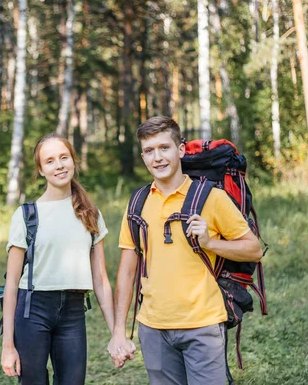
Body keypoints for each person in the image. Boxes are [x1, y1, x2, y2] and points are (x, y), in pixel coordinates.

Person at [107, 116, 262, 385]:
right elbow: (127, 270)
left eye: (164, 148)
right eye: (149, 150)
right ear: (143, 156)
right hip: (153, 328)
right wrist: (119, 331)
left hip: (203, 324)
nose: (157, 157)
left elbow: (254, 249)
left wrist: (210, 243)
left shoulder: (211, 198)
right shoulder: (138, 202)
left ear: (180, 150)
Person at [1, 133, 114, 385]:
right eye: (50, 161)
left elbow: (101, 280)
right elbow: (11, 285)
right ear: (41, 170)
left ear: (74, 161)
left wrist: (116, 334)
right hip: (33, 310)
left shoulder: (91, 214)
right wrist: (8, 345)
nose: (59, 165)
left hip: (73, 312)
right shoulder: (27, 215)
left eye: (64, 157)